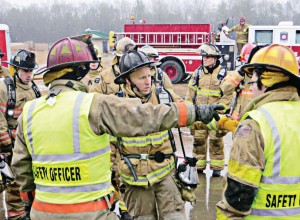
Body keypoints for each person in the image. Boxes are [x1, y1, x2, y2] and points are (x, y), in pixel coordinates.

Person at [10, 35, 223, 220]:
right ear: (80, 71)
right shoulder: (93, 104)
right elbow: (144, 115)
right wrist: (195, 112)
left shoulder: (30, 112)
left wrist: (29, 204)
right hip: (92, 213)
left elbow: (21, 168)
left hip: (43, 213)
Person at [216, 44, 300, 219]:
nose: (251, 88)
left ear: (266, 80)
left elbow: (237, 199)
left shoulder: (256, 124)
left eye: (253, 82)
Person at [111, 50, 186, 219]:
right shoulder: (116, 106)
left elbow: (188, 113)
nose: (148, 82)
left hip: (165, 174)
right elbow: (109, 150)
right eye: (141, 78)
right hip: (134, 180)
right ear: (128, 81)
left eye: (149, 76)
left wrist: (219, 120)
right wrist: (116, 194)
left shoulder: (164, 97)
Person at [0, 49, 41, 220]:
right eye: (25, 71)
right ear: (16, 70)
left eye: (31, 71)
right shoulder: (4, 88)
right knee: (15, 187)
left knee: (32, 183)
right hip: (10, 147)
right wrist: (8, 146)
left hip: (31, 146)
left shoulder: (35, 90)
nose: (29, 75)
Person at [185, 43, 231, 177]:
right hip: (199, 114)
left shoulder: (223, 74)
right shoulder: (198, 73)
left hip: (215, 116)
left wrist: (220, 111)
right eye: (204, 57)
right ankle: (199, 167)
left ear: (216, 58)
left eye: (208, 57)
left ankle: (217, 168)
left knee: (216, 141)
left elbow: (228, 95)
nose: (205, 59)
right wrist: (189, 110)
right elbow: (190, 92)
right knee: (198, 141)